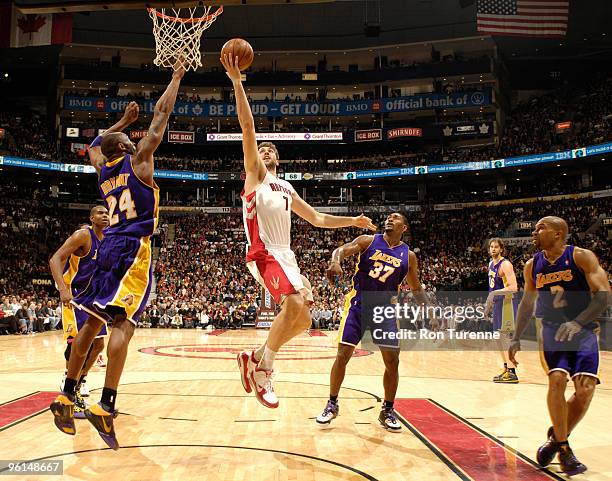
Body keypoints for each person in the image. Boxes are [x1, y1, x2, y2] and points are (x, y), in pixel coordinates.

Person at [221, 53, 376, 409]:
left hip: (286, 255)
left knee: (303, 318)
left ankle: (255, 356)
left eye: (271, 148)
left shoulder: (287, 187)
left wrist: (351, 221)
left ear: (280, 158)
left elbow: (319, 219)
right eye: (263, 149)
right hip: (263, 251)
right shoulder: (255, 177)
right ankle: (265, 369)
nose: (266, 149)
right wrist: (237, 83)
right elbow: (248, 128)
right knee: (292, 303)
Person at [50, 61, 186, 450]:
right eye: (130, 139)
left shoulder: (103, 172)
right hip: (132, 248)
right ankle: (106, 404)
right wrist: (175, 78)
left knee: (92, 323)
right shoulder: (140, 160)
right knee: (123, 325)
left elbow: (95, 145)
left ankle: (65, 393)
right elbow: (161, 115)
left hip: (107, 248)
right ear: (128, 148)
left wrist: (120, 123)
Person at [509, 216, 610, 476]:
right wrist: (516, 336)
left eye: (540, 227)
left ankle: (555, 437)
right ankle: (564, 449)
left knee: (585, 389)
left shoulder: (581, 257)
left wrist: (577, 323)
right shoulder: (532, 265)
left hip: (584, 329)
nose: (534, 231)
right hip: (552, 330)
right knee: (557, 379)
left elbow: (604, 295)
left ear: (558, 233)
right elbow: (527, 303)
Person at [316, 213, 428, 431]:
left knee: (392, 361)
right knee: (342, 355)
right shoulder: (368, 240)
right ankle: (332, 403)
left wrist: (428, 309)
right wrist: (335, 261)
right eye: (388, 217)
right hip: (358, 304)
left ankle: (387, 410)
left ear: (403, 227)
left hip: (385, 309)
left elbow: (415, 287)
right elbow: (342, 249)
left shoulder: (409, 256)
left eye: (395, 218)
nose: (389, 219)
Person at [49, 207, 109, 417]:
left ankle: (78, 382)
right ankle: (68, 385)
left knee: (99, 344)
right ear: (92, 218)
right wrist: (63, 290)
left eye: (107, 212)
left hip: (95, 298)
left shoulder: (109, 240)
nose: (105, 215)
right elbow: (55, 259)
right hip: (75, 296)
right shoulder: (83, 235)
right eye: (100, 212)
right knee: (77, 342)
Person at [483, 238, 519, 383]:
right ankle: (506, 368)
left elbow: (514, 287)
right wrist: (488, 305)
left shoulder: (505, 264)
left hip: (507, 303)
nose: (493, 249)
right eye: (491, 247)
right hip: (498, 303)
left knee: (504, 338)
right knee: (498, 339)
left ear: (501, 249)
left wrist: (493, 294)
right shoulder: (491, 264)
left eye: (496, 247)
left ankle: (512, 372)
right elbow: (492, 289)